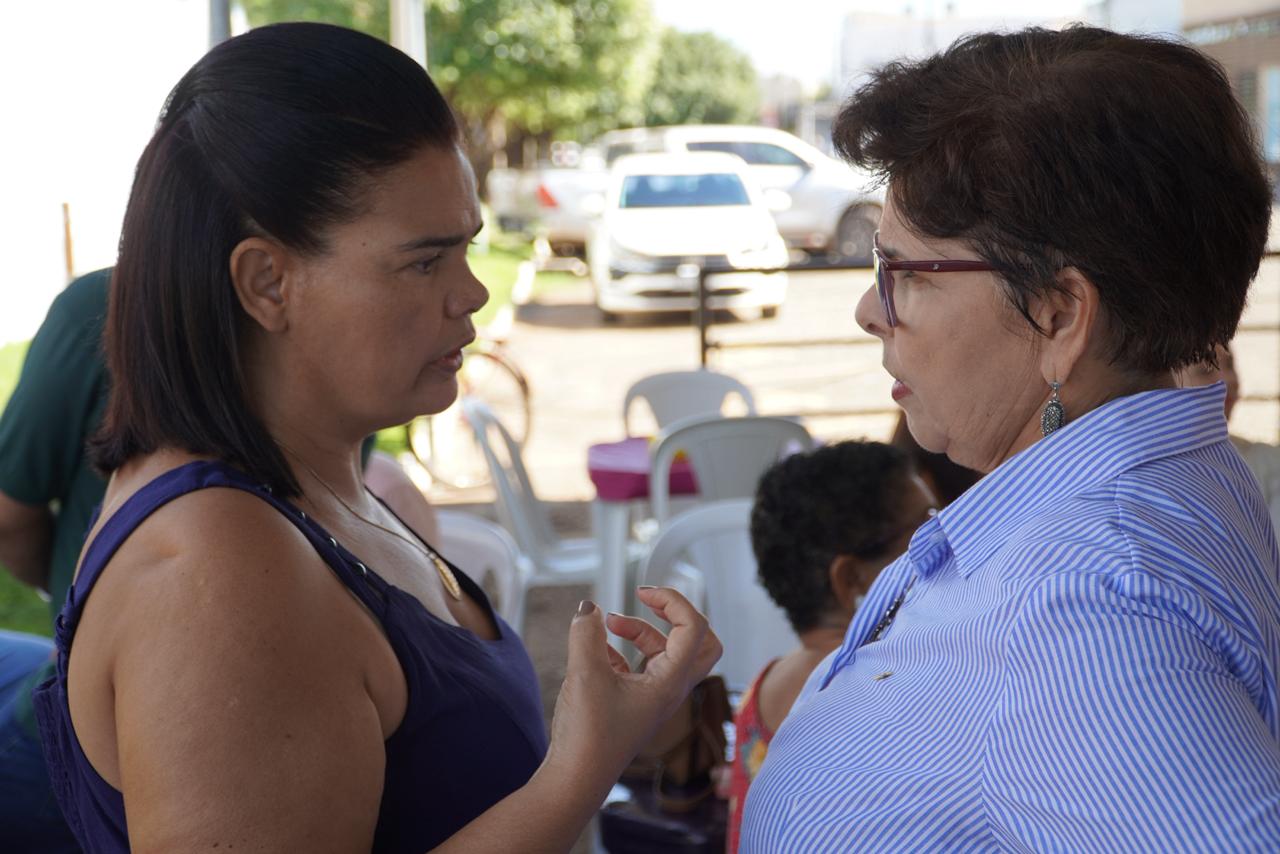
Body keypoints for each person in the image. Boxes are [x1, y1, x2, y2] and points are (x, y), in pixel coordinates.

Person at [34, 22, 718, 853]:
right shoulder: (220, 575)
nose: (471, 293)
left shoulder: (311, 482)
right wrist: (585, 764)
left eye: (465, 249)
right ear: (267, 283)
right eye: (424, 262)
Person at [741, 26, 1280, 850]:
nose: (869, 310)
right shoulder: (1165, 468)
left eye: (905, 272)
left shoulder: (1083, 613)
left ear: (1058, 315)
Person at [726, 441, 936, 852]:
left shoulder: (767, 681)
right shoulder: (872, 694)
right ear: (852, 578)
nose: (949, 539)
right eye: (926, 525)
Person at [1179, 343, 1280, 531]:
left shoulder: (1270, 464)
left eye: (1230, 365)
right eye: (1206, 370)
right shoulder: (1142, 469)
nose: (1229, 379)